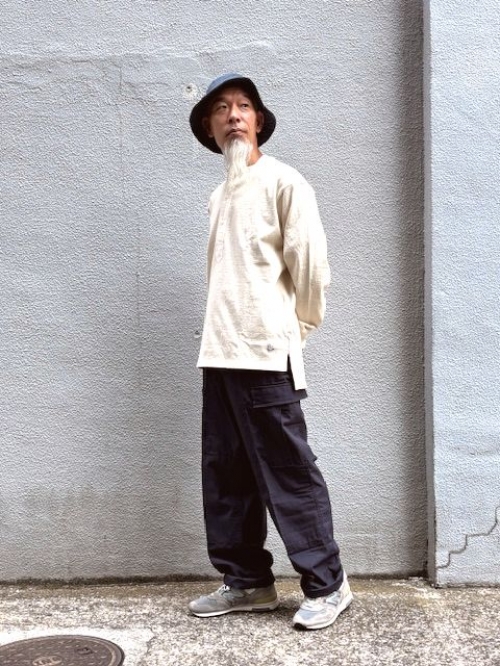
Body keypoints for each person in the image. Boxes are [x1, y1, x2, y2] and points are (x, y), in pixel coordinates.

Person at [187, 73, 352, 630]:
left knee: (288, 471)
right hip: (219, 354)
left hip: (264, 355)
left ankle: (328, 584)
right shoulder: (219, 196)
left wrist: (294, 331)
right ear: (209, 127)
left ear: (258, 120)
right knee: (226, 476)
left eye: (244, 106)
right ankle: (248, 582)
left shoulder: (284, 181)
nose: (234, 115)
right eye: (221, 109)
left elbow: (311, 267)